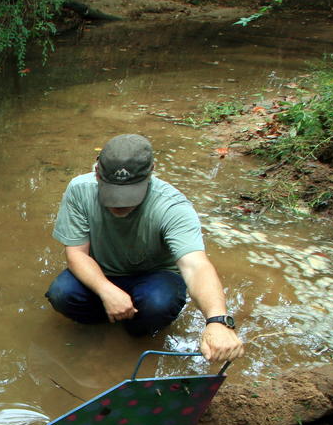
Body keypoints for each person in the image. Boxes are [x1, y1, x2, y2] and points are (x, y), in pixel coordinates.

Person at [45, 133, 244, 363]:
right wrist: (106, 290)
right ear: (97, 172)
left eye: (129, 194)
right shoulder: (80, 190)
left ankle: (134, 336)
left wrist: (218, 321)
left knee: (157, 304)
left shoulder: (172, 206)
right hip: (101, 272)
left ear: (151, 173)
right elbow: (76, 254)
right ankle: (102, 328)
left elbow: (196, 265)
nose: (120, 204)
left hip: (154, 277)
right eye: (112, 192)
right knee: (62, 294)